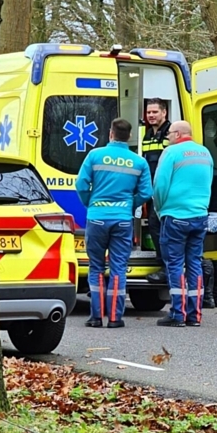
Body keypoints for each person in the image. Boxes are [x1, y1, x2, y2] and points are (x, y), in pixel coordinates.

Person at [76, 118, 152, 328]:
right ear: (129, 136)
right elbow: (146, 192)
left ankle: (96, 317)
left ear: (111, 133)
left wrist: (90, 203)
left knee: (96, 267)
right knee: (119, 268)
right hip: (123, 219)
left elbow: (81, 184)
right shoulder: (139, 162)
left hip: (97, 217)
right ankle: (115, 318)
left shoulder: (95, 155)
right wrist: (128, 205)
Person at [153, 120, 213, 327]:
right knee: (195, 263)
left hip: (175, 215)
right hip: (199, 215)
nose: (167, 136)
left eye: (169, 133)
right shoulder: (205, 153)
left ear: (178, 134)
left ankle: (177, 314)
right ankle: (195, 315)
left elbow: (160, 185)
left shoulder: (171, 152)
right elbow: (208, 182)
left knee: (175, 264)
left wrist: (160, 209)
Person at [141, 98, 170, 284]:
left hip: (164, 189)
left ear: (164, 112)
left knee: (158, 225)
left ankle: (166, 267)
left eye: (155, 112)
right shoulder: (147, 134)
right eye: (148, 112)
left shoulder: (170, 133)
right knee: (154, 226)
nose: (151, 115)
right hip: (151, 188)